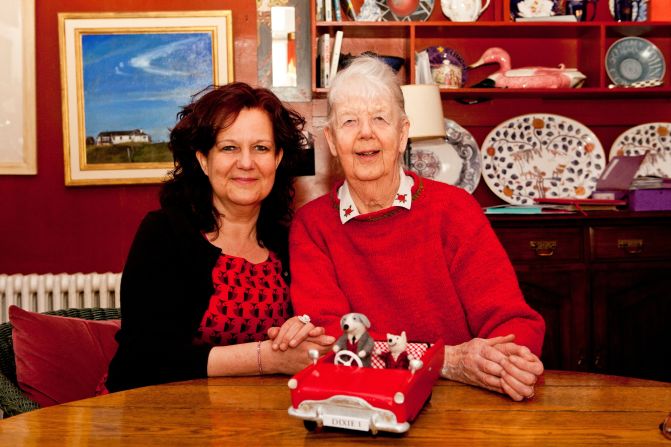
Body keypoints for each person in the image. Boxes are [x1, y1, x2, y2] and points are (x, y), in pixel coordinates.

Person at [273, 56, 545, 401]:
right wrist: (444, 360)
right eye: (350, 121)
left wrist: (510, 362)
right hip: (367, 402)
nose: (366, 133)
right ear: (331, 140)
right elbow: (333, 342)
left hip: (464, 400)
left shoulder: (455, 209)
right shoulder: (312, 226)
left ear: (403, 134)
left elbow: (513, 322)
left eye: (380, 119)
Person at [106, 82, 334, 392]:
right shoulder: (164, 235)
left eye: (261, 148)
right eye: (229, 147)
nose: (246, 162)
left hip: (262, 420)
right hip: (162, 421)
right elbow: (141, 365)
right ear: (203, 159)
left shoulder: (290, 242)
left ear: (278, 159)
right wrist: (266, 358)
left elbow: (314, 334)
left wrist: (301, 333)